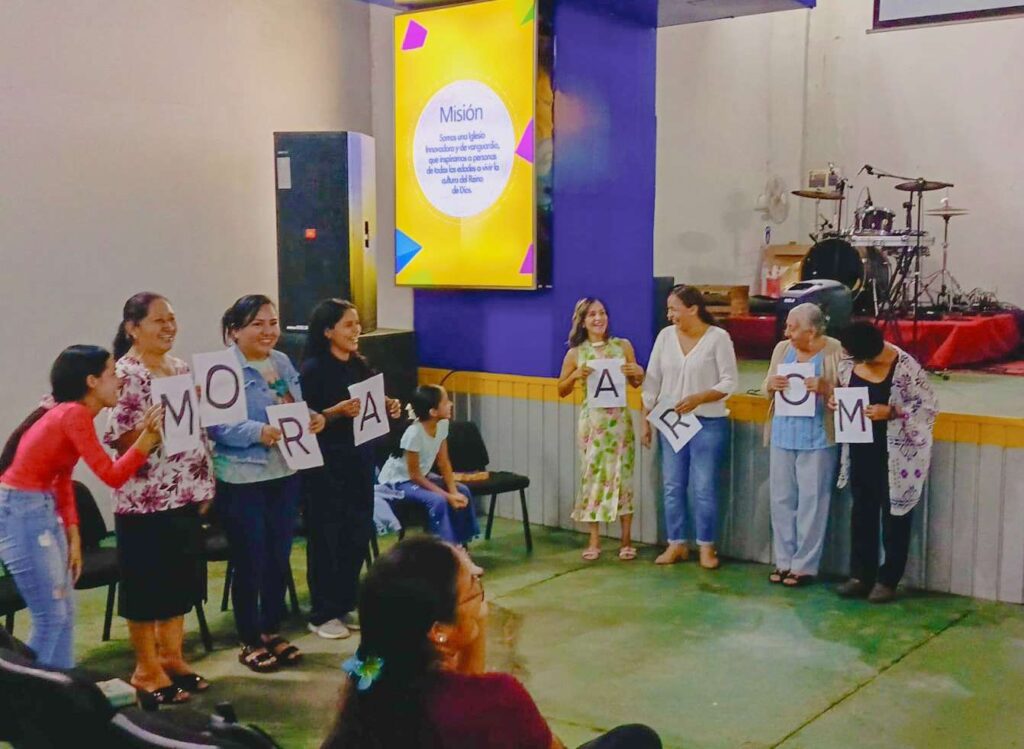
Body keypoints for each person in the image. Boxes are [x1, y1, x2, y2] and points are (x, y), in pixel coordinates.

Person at [321, 536, 662, 749]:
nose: (482, 597)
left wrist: (473, 621)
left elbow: (464, 694)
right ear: (438, 631)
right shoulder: (500, 699)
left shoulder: (367, 683)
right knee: (637, 739)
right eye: (474, 589)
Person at [0, 345, 162, 669]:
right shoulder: (73, 414)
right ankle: (30, 692)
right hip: (21, 512)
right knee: (50, 617)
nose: (119, 381)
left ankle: (60, 688)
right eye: (112, 373)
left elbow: (62, 478)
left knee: (64, 614)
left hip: (40, 509)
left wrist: (73, 534)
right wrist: (145, 441)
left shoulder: (73, 414)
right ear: (92, 381)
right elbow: (112, 475)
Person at [104, 292, 216, 704]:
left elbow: (193, 433)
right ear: (133, 328)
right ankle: (146, 668)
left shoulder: (179, 368)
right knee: (146, 586)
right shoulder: (126, 373)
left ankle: (172, 657)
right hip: (143, 499)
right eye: (158, 320)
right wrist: (151, 431)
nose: (169, 327)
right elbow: (120, 440)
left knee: (179, 581)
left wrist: (204, 483)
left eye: (172, 319)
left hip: (183, 492)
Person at [208, 295, 325, 672]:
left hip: (285, 472)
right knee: (250, 558)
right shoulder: (221, 369)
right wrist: (259, 432)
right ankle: (248, 637)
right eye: (257, 324)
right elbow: (217, 427)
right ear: (234, 331)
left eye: (272, 323)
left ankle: (271, 629)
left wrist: (313, 418)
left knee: (278, 556)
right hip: (243, 477)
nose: (268, 331)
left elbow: (292, 406)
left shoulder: (282, 361)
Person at [300, 298, 401, 640]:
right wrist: (337, 412)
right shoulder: (313, 369)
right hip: (326, 467)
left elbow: (370, 402)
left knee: (356, 534)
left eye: (357, 323)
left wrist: (388, 404)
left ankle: (344, 601)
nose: (356, 330)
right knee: (327, 538)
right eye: (348, 324)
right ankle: (322, 611)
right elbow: (307, 419)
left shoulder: (359, 365)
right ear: (328, 331)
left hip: (359, 461)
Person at [831, 322, 938, 603]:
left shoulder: (905, 367)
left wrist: (891, 411)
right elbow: (842, 391)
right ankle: (860, 575)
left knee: (895, 518)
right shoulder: (848, 364)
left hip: (896, 455)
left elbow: (928, 407)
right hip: (860, 448)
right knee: (861, 512)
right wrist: (836, 402)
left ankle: (888, 579)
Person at [641, 285, 737, 570]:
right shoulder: (665, 337)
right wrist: (646, 421)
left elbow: (729, 382)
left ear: (693, 309)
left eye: (674, 309)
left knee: (704, 486)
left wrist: (700, 397)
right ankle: (677, 543)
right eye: (668, 309)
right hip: (671, 422)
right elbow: (652, 382)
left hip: (708, 422)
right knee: (672, 484)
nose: (669, 315)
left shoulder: (718, 338)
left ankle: (706, 545)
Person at [557, 298, 644, 561]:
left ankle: (626, 540)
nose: (599, 318)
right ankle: (594, 540)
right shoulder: (576, 353)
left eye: (602, 313)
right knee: (592, 478)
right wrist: (575, 376)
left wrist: (637, 371)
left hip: (620, 424)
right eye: (592, 314)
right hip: (593, 426)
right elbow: (561, 389)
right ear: (583, 321)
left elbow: (636, 382)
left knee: (624, 479)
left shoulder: (623, 346)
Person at [761, 303, 842, 587]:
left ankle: (804, 565)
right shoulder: (782, 349)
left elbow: (849, 393)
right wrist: (771, 384)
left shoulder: (835, 351)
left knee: (813, 501)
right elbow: (765, 386)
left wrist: (827, 388)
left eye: (793, 328)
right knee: (781, 499)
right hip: (783, 433)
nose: (787, 333)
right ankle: (783, 560)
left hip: (818, 436)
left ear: (813, 331)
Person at [377, 386, 479, 548]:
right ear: (433, 411)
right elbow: (415, 476)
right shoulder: (414, 433)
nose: (451, 404)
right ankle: (443, 548)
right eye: (446, 402)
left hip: (420, 477)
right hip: (397, 482)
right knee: (437, 500)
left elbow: (443, 462)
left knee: (462, 490)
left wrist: (453, 491)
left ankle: (460, 545)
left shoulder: (443, 424)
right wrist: (448, 496)